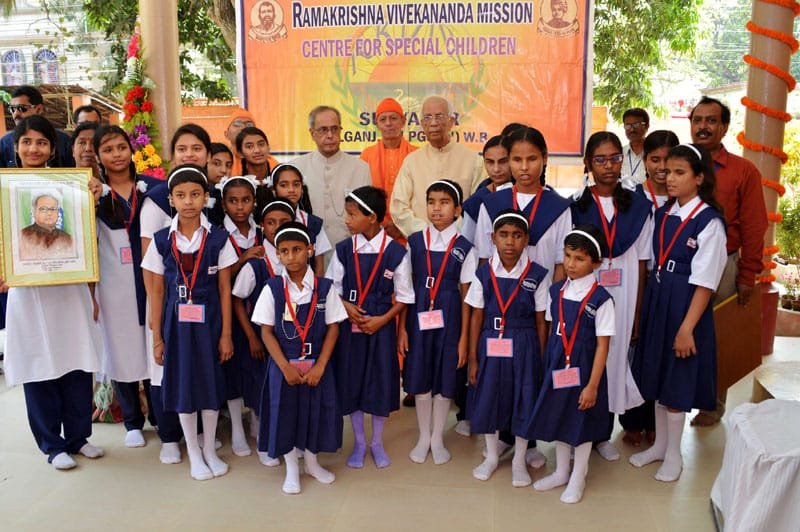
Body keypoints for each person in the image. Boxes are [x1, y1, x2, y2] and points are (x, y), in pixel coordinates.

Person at [2, 115, 104, 470]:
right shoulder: (4, 190)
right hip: (27, 293)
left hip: (69, 289)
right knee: (38, 361)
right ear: (16, 147)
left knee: (76, 359)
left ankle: (79, 437)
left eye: (41, 142)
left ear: (52, 147)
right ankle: (52, 443)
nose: (34, 149)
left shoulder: (71, 186)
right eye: (27, 142)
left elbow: (89, 238)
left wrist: (93, 192)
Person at [629, 144, 727, 482]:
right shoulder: (664, 213)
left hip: (686, 305)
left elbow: (705, 283)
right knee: (657, 374)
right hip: (659, 297)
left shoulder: (708, 222)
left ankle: (674, 454)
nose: (669, 178)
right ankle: (658, 448)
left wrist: (687, 329)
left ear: (699, 178)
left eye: (679, 172)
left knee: (677, 378)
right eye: (667, 171)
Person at [142, 164, 237, 481]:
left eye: (195, 194)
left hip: (210, 321)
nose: (188, 201)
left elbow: (225, 288)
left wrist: (226, 334)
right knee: (183, 387)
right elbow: (156, 289)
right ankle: (194, 454)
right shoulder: (160, 240)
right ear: (171, 199)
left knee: (210, 386)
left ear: (206, 198)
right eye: (181, 195)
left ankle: (209, 448)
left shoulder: (219, 239)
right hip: (176, 324)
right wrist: (157, 337)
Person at [570, 132, 652, 462]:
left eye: (615, 158)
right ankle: (582, 433)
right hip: (589, 290)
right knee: (588, 357)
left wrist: (635, 312)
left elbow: (643, 262)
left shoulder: (639, 206)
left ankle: (603, 433)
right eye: (600, 159)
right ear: (588, 163)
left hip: (626, 286)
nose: (609, 166)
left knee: (615, 359)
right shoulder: (576, 205)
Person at [688, 96, 768, 427]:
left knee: (715, 336)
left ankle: (711, 404)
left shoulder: (742, 171)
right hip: (679, 262)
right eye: (697, 120)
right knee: (678, 332)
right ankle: (670, 403)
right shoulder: (679, 163)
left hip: (723, 265)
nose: (703, 126)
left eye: (711, 121)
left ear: (723, 127)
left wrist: (747, 274)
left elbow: (754, 224)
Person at [251, 221, 347, 494]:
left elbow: (333, 329)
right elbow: (266, 332)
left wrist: (321, 366)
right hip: (284, 366)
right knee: (286, 413)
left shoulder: (325, 288)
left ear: (310, 249)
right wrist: (283, 367)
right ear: (277, 255)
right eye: (284, 251)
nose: (291, 256)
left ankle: (313, 463)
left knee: (316, 412)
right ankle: (292, 467)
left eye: (297, 249)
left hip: (317, 364)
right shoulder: (272, 289)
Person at [139, 125, 213, 466]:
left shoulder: (211, 202)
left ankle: (200, 438)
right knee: (165, 371)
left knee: (199, 370)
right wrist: (157, 324)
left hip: (203, 308)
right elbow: (152, 273)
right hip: (169, 306)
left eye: (197, 148)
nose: (190, 154)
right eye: (182, 148)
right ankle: (170, 436)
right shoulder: (155, 200)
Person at [326, 186, 414, 469]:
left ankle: (376, 441)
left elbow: (404, 296)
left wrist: (383, 320)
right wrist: (346, 307)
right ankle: (359, 442)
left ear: (372, 217)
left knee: (379, 382)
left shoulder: (396, 252)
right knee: (351, 382)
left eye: (352, 215)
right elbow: (332, 289)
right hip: (349, 328)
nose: (347, 220)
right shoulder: (343, 250)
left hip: (381, 327)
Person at [526, 225, 615, 504]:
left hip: (586, 369)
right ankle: (562, 471)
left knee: (582, 423)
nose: (571, 264)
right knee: (561, 416)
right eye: (567, 256)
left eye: (579, 259)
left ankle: (579, 475)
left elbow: (603, 346)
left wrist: (592, 385)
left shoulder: (602, 299)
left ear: (596, 263)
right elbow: (555, 330)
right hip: (559, 367)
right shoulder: (556, 291)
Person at [466, 210, 548, 487]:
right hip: (491, 341)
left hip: (524, 344)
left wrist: (541, 358)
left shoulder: (537, 275)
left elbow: (541, 320)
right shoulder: (483, 273)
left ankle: (518, 459)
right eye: (503, 235)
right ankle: (491, 456)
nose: (510, 242)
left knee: (523, 400)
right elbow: (476, 315)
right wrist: (474, 357)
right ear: (493, 238)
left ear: (526, 239)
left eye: (516, 235)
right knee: (490, 398)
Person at [93, 124, 160, 448]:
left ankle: (159, 416)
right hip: (113, 284)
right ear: (98, 156)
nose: (116, 155)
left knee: (152, 344)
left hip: (149, 280)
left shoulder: (152, 189)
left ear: (131, 149)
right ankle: (133, 421)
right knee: (121, 349)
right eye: (107, 149)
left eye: (121, 147)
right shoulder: (92, 194)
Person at [400, 179, 476, 465]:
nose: (436, 208)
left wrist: (464, 339)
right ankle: (423, 436)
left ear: (457, 210)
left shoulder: (465, 247)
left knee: (445, 377)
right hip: (419, 313)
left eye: (444, 202)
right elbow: (405, 290)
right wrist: (403, 331)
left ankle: (437, 438)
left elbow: (468, 296)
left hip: (451, 314)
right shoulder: (415, 241)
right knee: (420, 376)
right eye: (431, 202)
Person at [621, 129, 680, 446]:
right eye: (655, 159)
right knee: (635, 353)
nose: (661, 167)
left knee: (660, 354)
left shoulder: (681, 200)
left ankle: (655, 421)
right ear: (644, 161)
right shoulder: (632, 198)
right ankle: (632, 419)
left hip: (669, 286)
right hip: (636, 281)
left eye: (668, 161)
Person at [231, 199, 294, 466]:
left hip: (290, 338)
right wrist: (252, 337)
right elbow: (237, 299)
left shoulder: (296, 256)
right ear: (261, 226)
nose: (276, 227)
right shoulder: (255, 263)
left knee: (286, 391)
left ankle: (288, 440)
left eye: (282, 222)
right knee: (262, 391)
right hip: (261, 337)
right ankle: (265, 445)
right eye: (270, 222)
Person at [390, 95, 484, 237]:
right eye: (427, 117)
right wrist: (426, 233)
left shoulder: (473, 160)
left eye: (439, 116)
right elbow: (398, 207)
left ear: (451, 121)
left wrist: (452, 232)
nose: (433, 123)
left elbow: (478, 204)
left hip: (460, 242)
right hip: (420, 243)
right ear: (422, 124)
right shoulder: (412, 161)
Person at [218, 175, 264, 457]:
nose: (239, 207)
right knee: (232, 371)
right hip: (228, 314)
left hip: (259, 315)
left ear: (254, 202)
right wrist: (244, 258)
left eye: (245, 200)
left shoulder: (262, 232)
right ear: (223, 204)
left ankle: (257, 420)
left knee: (257, 369)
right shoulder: (218, 235)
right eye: (233, 201)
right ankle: (236, 427)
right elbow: (218, 280)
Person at [292, 105, 371, 249]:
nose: (329, 135)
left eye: (334, 129)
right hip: (309, 252)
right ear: (312, 133)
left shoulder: (360, 168)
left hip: (349, 250)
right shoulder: (296, 168)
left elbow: (366, 216)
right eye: (323, 130)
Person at [360, 97, 418, 241]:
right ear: (377, 124)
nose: (388, 124)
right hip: (375, 229)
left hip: (409, 231)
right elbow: (363, 196)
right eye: (383, 119)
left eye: (393, 118)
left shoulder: (416, 154)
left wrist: (400, 225)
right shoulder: (367, 155)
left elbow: (420, 197)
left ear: (403, 121)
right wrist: (380, 223)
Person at [271, 163, 332, 275]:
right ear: (273, 190)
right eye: (284, 185)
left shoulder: (314, 223)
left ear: (302, 188)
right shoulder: (267, 222)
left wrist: (317, 290)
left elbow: (319, 264)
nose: (291, 190)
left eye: (296, 184)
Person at [0, 85, 75, 168]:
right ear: (16, 147)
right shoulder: (5, 143)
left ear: (39, 109)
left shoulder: (64, 141)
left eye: (22, 108)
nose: (16, 114)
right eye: (12, 109)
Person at [461, 135, 512, 244]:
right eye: (490, 162)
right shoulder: (477, 200)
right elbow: (466, 242)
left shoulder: (526, 194)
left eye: (503, 161)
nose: (496, 169)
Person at [19, 189, 75, 261]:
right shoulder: (22, 237)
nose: (49, 213)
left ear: (58, 212)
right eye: (43, 209)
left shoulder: (68, 239)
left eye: (53, 209)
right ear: (34, 212)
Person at [236, 126, 275, 206]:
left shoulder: (279, 182)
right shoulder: (237, 186)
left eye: (261, 144)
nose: (257, 150)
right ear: (240, 153)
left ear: (268, 147)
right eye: (249, 147)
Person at [621, 108, 650, 184]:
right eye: (628, 125)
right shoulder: (620, 153)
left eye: (636, 125)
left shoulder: (653, 154)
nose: (631, 130)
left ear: (647, 126)